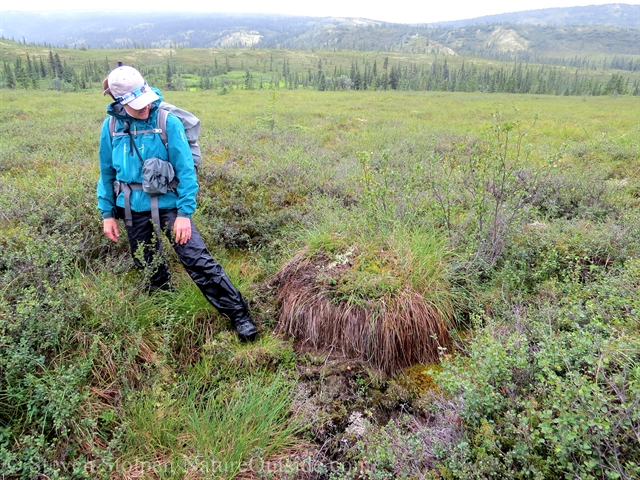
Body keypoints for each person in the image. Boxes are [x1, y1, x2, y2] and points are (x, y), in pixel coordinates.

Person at [97, 65, 258, 342]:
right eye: (136, 107)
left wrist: (184, 213)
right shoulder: (111, 126)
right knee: (145, 260)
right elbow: (106, 171)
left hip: (171, 205)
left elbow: (186, 172)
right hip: (131, 206)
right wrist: (107, 213)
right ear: (119, 102)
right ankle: (164, 302)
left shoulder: (167, 121)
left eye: (145, 101)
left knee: (198, 260)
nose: (144, 109)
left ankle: (239, 316)